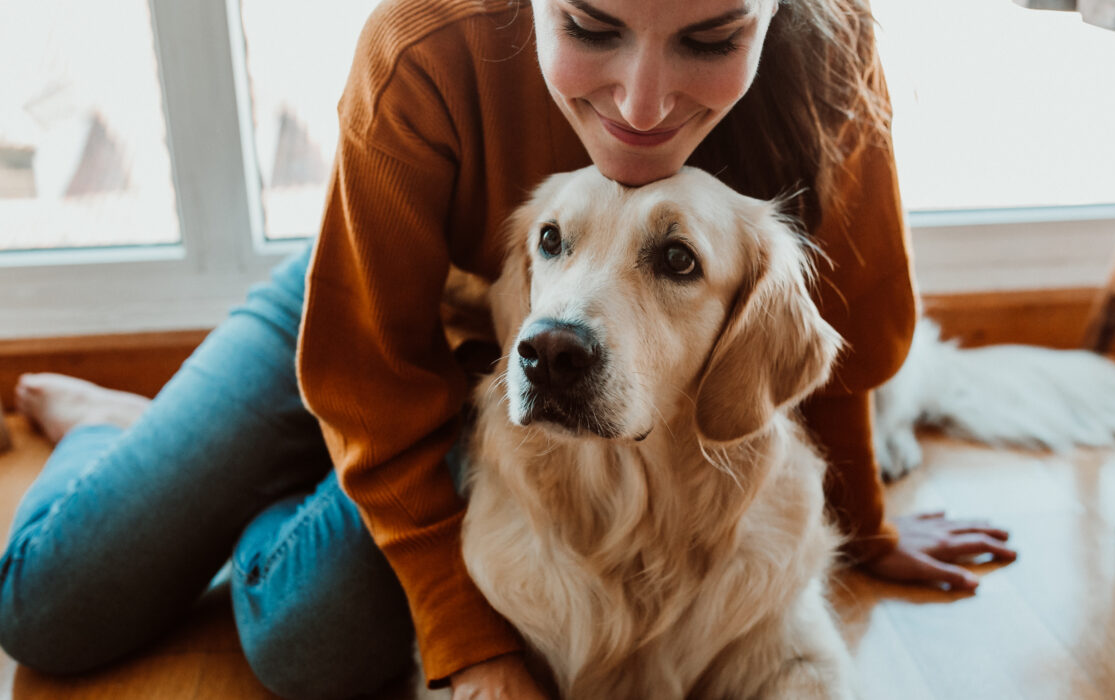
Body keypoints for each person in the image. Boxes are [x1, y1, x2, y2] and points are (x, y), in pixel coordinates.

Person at [0, 0, 1018, 697]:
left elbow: (820, 330)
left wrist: (866, 525)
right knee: (50, 604)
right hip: (364, 318)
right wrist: (472, 643)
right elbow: (364, 368)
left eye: (711, 37)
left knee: (309, 642)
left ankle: (236, 468)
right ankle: (122, 432)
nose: (644, 103)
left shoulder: (828, 54)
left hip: (518, 374)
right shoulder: (425, 39)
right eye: (590, 25)